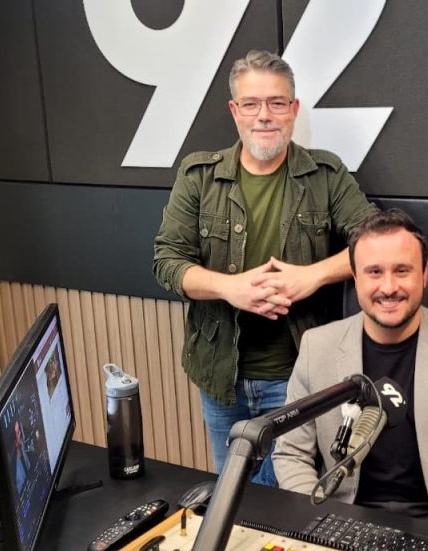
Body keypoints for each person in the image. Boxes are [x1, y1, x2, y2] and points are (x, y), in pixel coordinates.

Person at [153, 50, 378, 486]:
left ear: (293, 109)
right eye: (251, 104)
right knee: (233, 495)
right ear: (234, 111)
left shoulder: (325, 175)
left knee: (287, 498)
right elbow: (168, 262)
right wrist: (230, 288)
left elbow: (376, 245)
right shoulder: (198, 176)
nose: (264, 116)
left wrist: (311, 275)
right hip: (221, 377)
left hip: (299, 378)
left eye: (276, 103)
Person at [272, 209, 428, 534]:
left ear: (424, 274)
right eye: (374, 272)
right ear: (355, 277)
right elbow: (291, 455)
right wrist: (323, 526)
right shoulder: (317, 348)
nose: (388, 287)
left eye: (402, 270)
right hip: (342, 522)